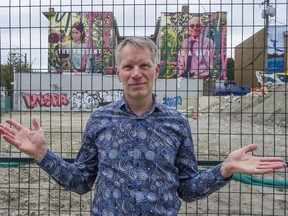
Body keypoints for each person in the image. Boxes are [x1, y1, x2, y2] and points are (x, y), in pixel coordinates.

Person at [0, 37, 286, 215]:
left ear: (156, 70)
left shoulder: (177, 123)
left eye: (144, 66)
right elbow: (81, 182)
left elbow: (187, 189)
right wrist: (42, 155)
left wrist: (225, 169)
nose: (136, 73)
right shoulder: (99, 120)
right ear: (118, 74)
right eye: (128, 67)